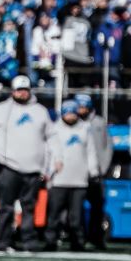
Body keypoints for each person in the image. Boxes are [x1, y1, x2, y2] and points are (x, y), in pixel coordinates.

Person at [0, 75, 52, 253]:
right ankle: (2, 241)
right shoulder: (2, 109)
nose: (22, 93)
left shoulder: (40, 111)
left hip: (33, 169)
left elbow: (51, 138)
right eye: (19, 90)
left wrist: (47, 165)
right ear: (12, 91)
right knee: (6, 207)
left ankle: (28, 242)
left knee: (29, 208)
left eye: (25, 90)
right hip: (8, 166)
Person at [44, 100, 100, 252]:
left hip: (79, 180)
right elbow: (48, 152)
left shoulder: (85, 128)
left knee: (77, 216)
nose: (70, 116)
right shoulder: (54, 129)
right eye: (67, 113)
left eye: (73, 113)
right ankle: (50, 241)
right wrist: (47, 172)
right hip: (59, 179)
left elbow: (91, 152)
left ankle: (78, 242)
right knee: (54, 214)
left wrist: (93, 171)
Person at [74, 93, 113, 249]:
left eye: (82, 106)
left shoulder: (99, 123)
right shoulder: (75, 124)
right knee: (77, 208)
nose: (80, 109)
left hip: (97, 174)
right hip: (79, 173)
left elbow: (107, 147)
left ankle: (96, 238)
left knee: (97, 208)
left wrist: (102, 168)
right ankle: (79, 238)